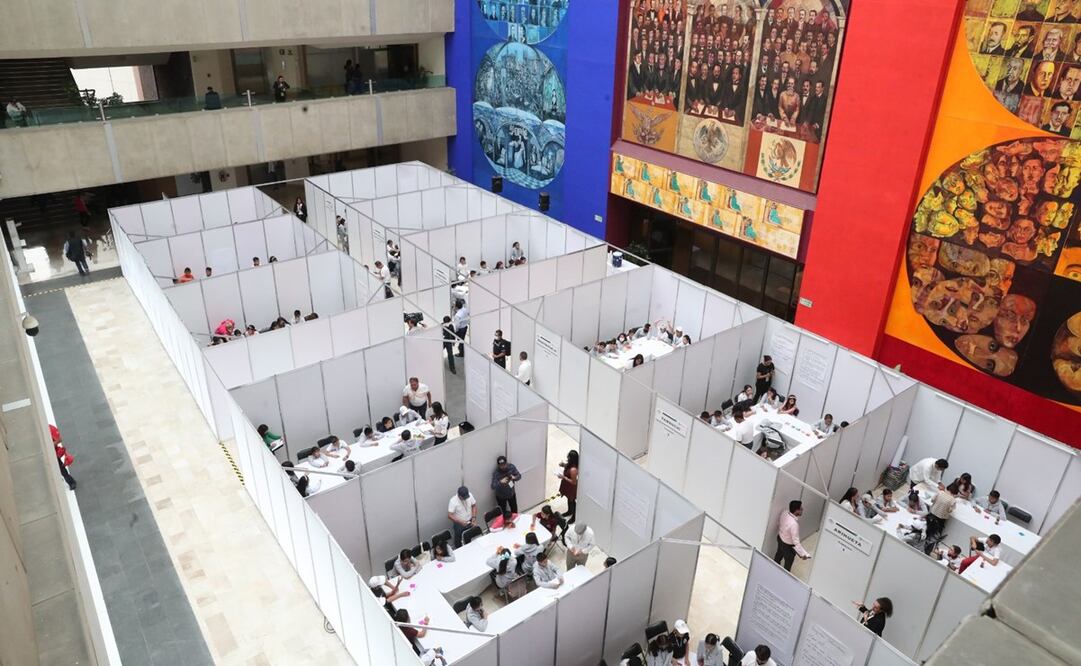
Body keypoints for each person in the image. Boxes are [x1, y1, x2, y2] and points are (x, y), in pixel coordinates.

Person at [775, 500, 811, 571]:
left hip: (780, 539)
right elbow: (796, 542)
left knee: (778, 556)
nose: (802, 509)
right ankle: (785, 576)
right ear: (796, 511)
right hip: (787, 546)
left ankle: (773, 568)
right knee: (788, 563)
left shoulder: (784, 512)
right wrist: (803, 554)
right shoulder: (794, 524)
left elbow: (779, 523)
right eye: (801, 509)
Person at [557, 449, 579, 522]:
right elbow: (567, 465)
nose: (567, 457)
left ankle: (574, 516)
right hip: (567, 485)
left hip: (571, 487)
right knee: (569, 500)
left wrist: (564, 478)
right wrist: (563, 464)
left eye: (569, 457)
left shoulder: (573, 470)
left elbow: (574, 482)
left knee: (572, 501)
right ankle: (569, 511)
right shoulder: (571, 464)